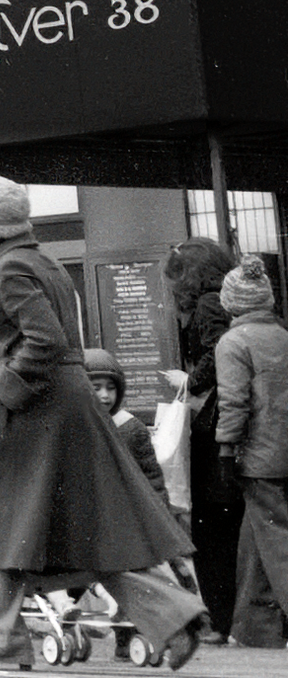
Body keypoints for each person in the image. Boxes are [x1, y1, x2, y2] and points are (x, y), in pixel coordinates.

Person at [0, 178, 208, 671]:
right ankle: (174, 616)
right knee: (82, 529)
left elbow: (45, 341)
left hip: (37, 410)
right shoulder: (42, 260)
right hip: (65, 405)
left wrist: (2, 393)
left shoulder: (11, 268)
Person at [169, 237, 246, 639]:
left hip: (213, 426)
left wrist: (190, 380)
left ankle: (219, 619)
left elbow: (216, 353)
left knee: (213, 532)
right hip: (231, 427)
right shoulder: (229, 301)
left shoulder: (206, 304)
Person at [217, 258, 288, 641]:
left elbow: (234, 402)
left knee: (276, 543)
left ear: (231, 303)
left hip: (258, 456)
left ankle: (256, 629)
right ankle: (254, 630)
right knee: (257, 541)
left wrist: (226, 448)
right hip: (284, 452)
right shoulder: (283, 336)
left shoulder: (233, 343)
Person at [89, 350, 167, 502]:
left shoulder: (130, 428)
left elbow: (152, 479)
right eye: (96, 388)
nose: (105, 395)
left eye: (111, 388)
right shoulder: (74, 427)